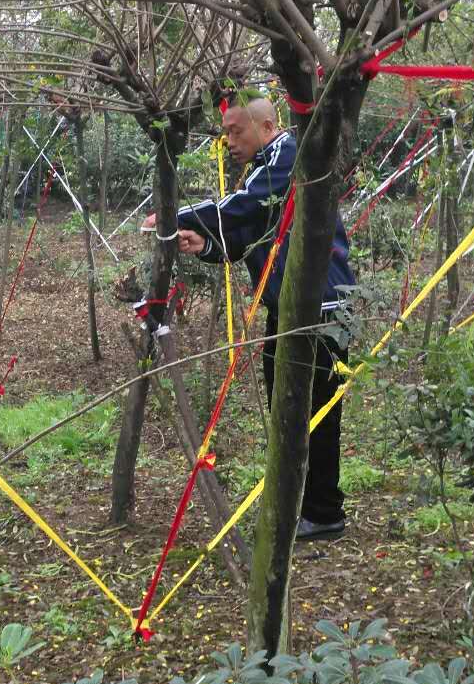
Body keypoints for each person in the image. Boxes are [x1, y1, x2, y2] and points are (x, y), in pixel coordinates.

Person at [142, 96, 355, 540]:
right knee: (286, 405)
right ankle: (301, 505)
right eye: (225, 132)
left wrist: (173, 215)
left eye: (236, 131)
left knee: (315, 411)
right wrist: (206, 246)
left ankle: (323, 512)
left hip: (322, 310)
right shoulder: (264, 167)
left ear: (267, 126)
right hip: (290, 308)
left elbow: (245, 204)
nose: (229, 141)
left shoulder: (289, 154)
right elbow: (246, 237)